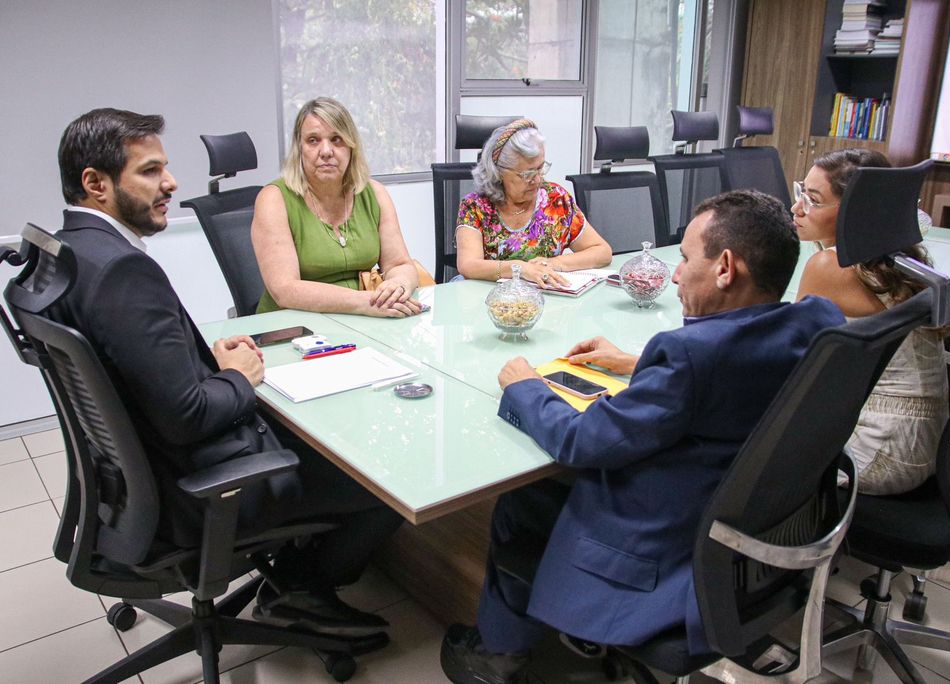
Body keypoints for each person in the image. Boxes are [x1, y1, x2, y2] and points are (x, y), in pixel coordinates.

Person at [440, 190, 845, 684]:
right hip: (760, 540)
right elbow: (732, 368)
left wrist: (525, 387)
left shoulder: (689, 356)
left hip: (673, 551)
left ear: (725, 269)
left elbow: (582, 441)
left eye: (686, 259)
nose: (675, 275)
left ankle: (497, 654)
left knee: (524, 495)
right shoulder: (818, 322)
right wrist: (640, 364)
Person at [52, 108, 402, 636]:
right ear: (95, 184)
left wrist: (199, 362)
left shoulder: (74, 251)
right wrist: (238, 376)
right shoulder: (124, 271)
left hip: (128, 485)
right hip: (193, 490)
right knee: (379, 474)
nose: (171, 182)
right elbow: (187, 418)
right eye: (150, 171)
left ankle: (294, 562)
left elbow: (131, 369)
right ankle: (300, 589)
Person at [793, 148, 946, 495]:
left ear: (854, 212)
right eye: (801, 191)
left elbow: (788, 356)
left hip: (879, 452)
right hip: (920, 439)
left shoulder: (829, 267)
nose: (796, 208)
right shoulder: (894, 256)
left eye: (813, 200)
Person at [252, 96, 422, 316]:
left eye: (337, 139)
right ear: (299, 149)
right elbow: (285, 290)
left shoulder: (374, 193)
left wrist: (398, 285)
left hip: (362, 318)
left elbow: (400, 264)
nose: (326, 151)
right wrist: (366, 303)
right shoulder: (274, 199)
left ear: (351, 147)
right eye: (313, 140)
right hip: (294, 324)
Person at [455, 118, 612, 288]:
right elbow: (468, 265)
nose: (537, 180)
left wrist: (555, 263)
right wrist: (519, 269)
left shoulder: (556, 200)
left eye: (540, 168)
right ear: (499, 172)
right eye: (527, 174)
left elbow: (602, 251)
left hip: (545, 298)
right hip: (490, 298)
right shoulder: (475, 206)